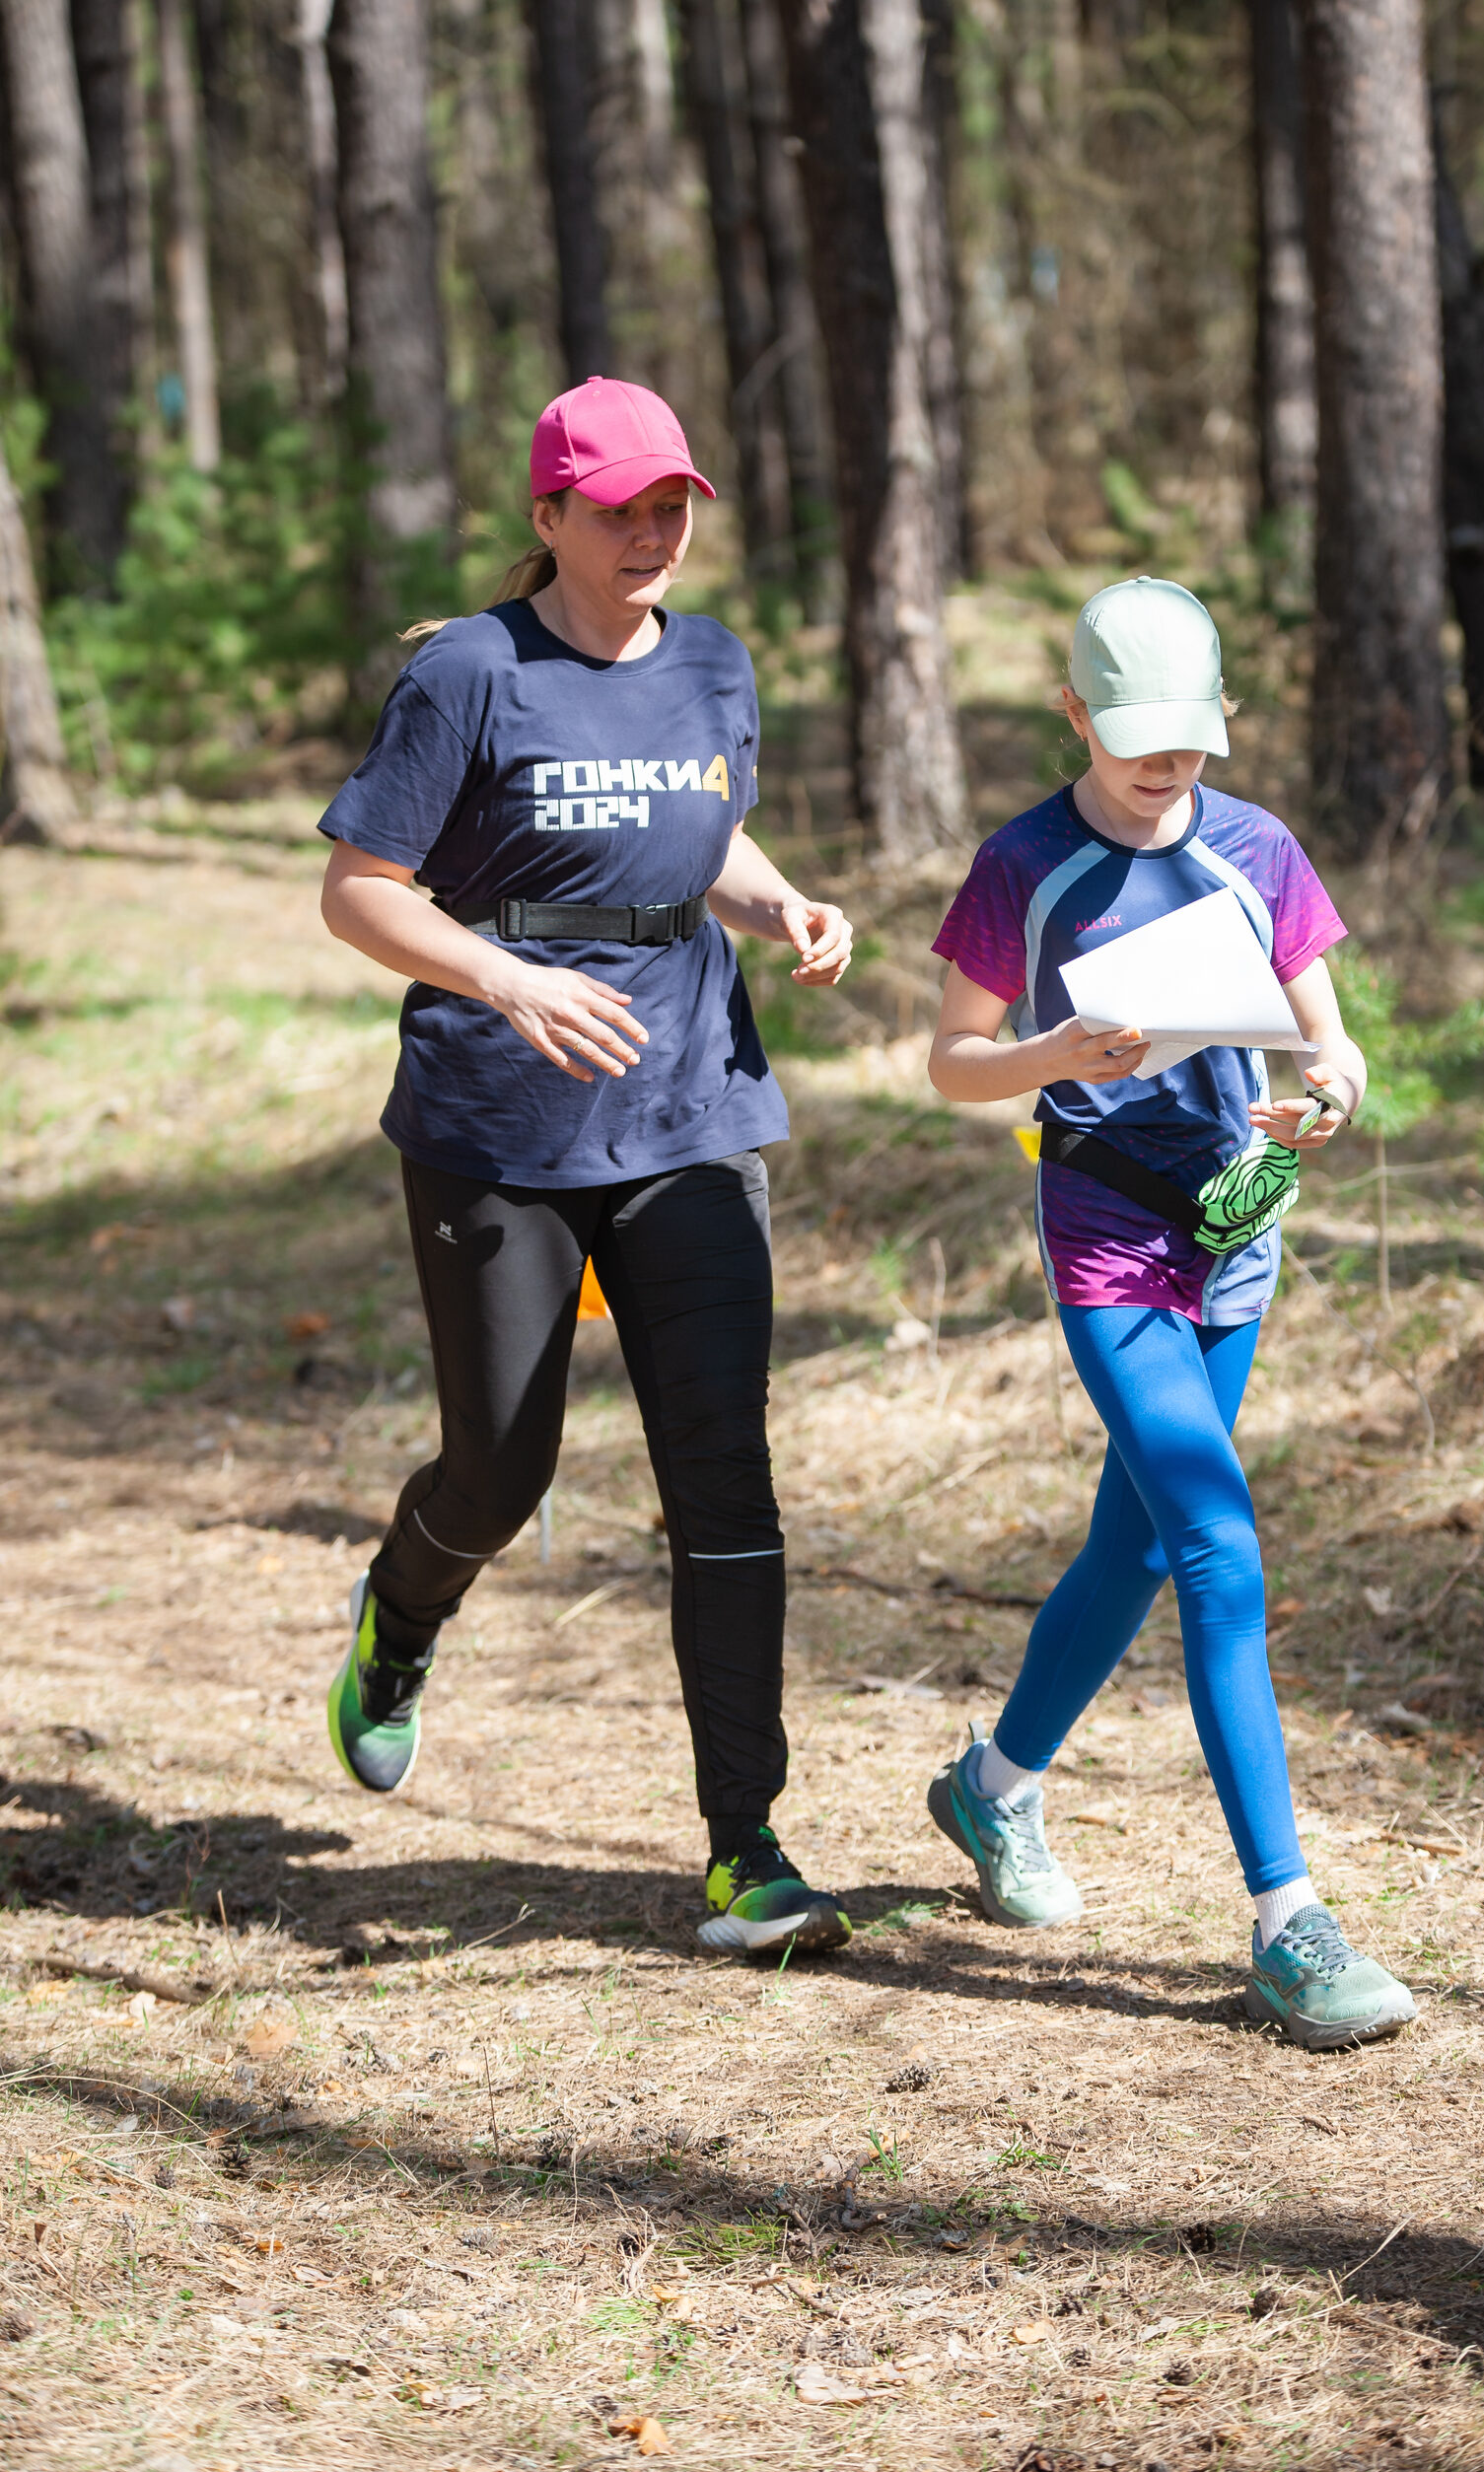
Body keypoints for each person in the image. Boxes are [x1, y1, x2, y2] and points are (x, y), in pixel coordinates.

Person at [316, 376, 855, 1959]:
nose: (653, 532)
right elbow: (360, 890)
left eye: (672, 504)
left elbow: (705, 835)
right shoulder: (470, 675)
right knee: (503, 1469)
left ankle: (747, 1846)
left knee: (723, 1472)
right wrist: (507, 980)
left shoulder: (714, 663)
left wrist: (780, 903)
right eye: (620, 508)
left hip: (693, 1106)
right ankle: (400, 1618)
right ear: (548, 515)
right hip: (500, 1119)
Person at [922, 576, 1417, 2050]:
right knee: (1213, 1537)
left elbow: (1333, 1039)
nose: (1167, 767)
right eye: (1138, 739)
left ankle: (992, 1789)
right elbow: (951, 1061)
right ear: (1073, 715)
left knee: (1138, 1539)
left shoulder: (1258, 847)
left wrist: (1331, 1091)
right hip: (1106, 1234)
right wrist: (1052, 1051)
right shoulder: (1026, 866)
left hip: (1236, 1230)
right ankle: (1288, 1921)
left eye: (1192, 739)